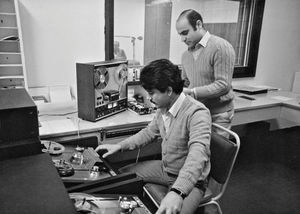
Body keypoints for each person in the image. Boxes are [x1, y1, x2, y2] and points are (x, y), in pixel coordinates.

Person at [96, 59, 211, 214]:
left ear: (169, 91)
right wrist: (119, 146)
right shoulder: (164, 107)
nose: (149, 98)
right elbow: (149, 132)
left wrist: (178, 192)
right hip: (166, 169)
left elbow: (197, 156)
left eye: (151, 93)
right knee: (122, 178)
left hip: (192, 180)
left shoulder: (197, 113)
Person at [176, 9, 235, 138]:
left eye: (185, 33)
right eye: (180, 34)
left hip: (218, 115)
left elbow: (223, 85)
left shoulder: (221, 47)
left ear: (198, 25)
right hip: (196, 113)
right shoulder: (185, 55)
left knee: (215, 155)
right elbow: (186, 82)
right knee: (197, 153)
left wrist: (192, 92)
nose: (182, 39)